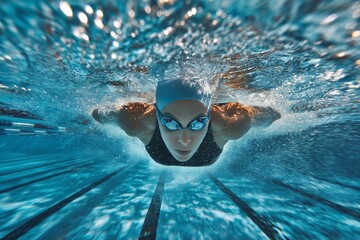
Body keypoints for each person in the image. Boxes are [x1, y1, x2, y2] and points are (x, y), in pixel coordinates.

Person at [92, 78, 281, 166]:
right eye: (170, 123)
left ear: (209, 118)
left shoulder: (230, 124)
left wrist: (272, 114)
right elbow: (98, 115)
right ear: (156, 116)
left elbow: (271, 116)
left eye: (198, 123)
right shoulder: (136, 120)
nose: (184, 140)